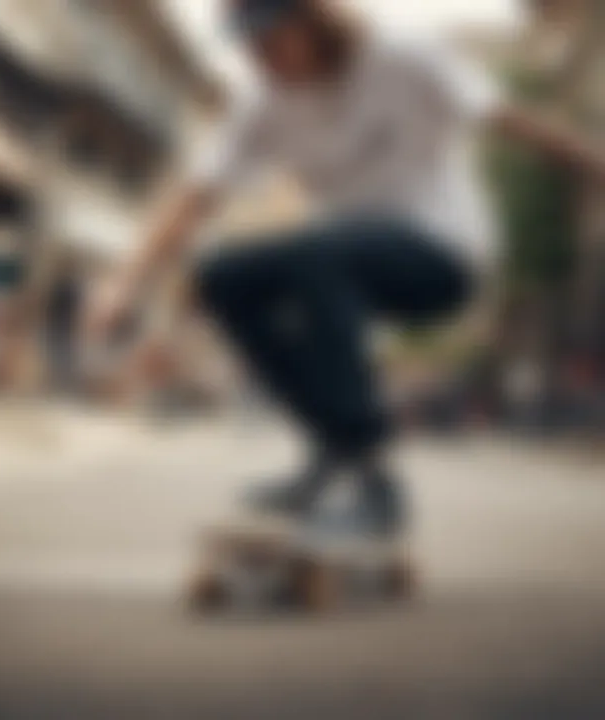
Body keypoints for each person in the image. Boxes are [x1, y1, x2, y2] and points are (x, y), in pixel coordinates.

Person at [92, 0, 605, 536]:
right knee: (223, 276)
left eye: (272, 41)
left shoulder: (405, 59)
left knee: (320, 250)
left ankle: (372, 481)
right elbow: (193, 198)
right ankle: (333, 448)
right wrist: (122, 285)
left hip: (442, 255)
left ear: (314, 23)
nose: (261, 58)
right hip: (344, 261)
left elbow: (512, 122)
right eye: (248, 46)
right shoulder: (262, 103)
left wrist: (595, 162)